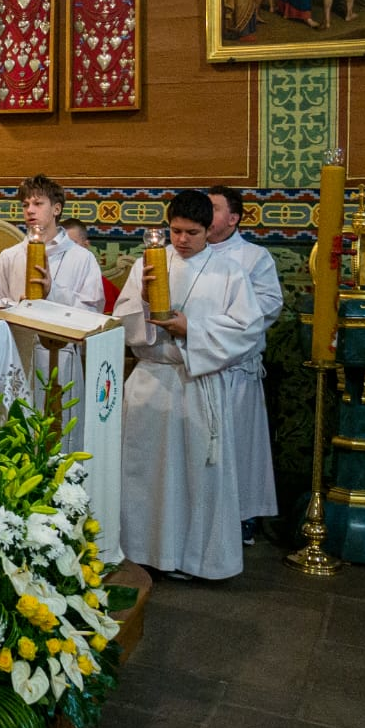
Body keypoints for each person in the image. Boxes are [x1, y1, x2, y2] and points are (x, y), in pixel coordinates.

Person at [115, 191, 265, 581]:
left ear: (208, 230)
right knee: (144, 474)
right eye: (175, 231)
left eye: (192, 233)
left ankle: (190, 559)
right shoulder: (147, 264)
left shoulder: (229, 271)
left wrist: (190, 330)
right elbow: (122, 317)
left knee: (194, 477)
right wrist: (145, 304)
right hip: (151, 379)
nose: (181, 240)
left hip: (197, 383)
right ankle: (142, 552)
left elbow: (246, 329)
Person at [0, 176, 104, 440]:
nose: (30, 210)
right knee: (15, 440)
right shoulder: (10, 256)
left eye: (38, 203)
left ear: (56, 209)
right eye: (25, 204)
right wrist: (16, 308)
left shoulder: (82, 258)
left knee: (58, 445)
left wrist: (52, 294)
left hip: (62, 362)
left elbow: (92, 315)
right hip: (18, 359)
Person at [205, 186, 284, 544]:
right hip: (195, 363)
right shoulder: (189, 252)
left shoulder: (254, 257)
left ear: (234, 218)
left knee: (237, 445)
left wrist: (217, 325)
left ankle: (240, 517)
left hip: (234, 367)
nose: (205, 214)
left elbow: (268, 306)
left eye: (214, 208)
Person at [61, 217, 118, 312]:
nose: (67, 251)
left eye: (73, 244)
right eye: (63, 245)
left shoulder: (102, 285)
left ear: (86, 246)